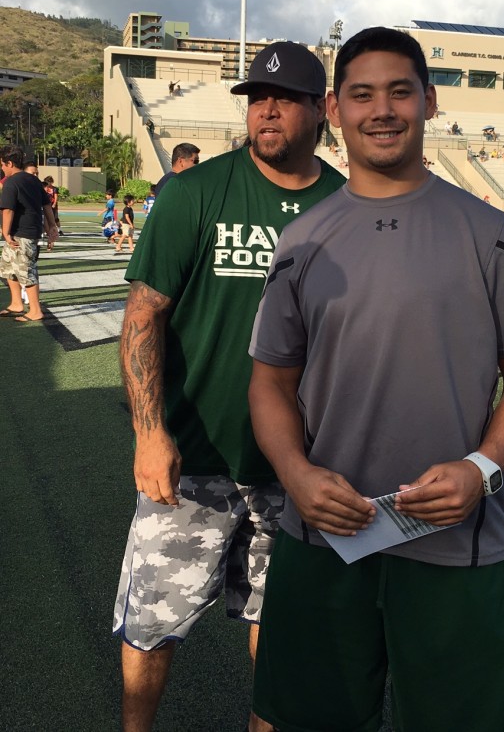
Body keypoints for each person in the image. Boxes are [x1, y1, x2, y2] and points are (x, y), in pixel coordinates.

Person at [248, 27, 504, 732]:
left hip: (454, 539)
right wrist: (296, 475)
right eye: (361, 93)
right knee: (300, 720)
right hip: (325, 534)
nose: (381, 109)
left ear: (429, 101)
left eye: (398, 91)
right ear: (333, 107)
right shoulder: (302, 241)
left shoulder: (488, 231)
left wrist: (481, 466)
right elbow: (268, 383)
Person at [112, 41, 345, 732]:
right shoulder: (194, 192)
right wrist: (150, 432)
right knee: (151, 626)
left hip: (295, 465)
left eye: (284, 97)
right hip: (193, 461)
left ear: (320, 110)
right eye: (255, 98)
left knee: (279, 632)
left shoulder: (345, 206)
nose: (265, 109)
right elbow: (143, 313)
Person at [0, 145, 58, 322]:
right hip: (26, 231)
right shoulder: (33, 180)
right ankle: (17, 303)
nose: (1, 168)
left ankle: (35, 310)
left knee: (27, 270)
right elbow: (46, 204)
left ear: (10, 163)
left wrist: (6, 232)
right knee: (9, 268)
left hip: (21, 233)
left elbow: (8, 210)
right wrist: (52, 226)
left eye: (2, 164)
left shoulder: (11, 182)